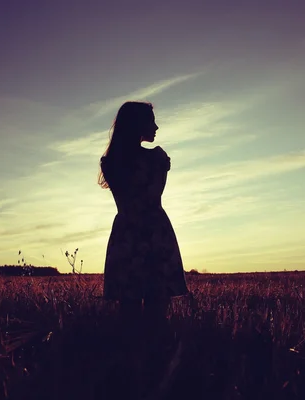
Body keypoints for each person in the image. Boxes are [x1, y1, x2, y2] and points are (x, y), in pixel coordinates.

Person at [98, 101, 189, 395]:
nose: (156, 127)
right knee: (155, 305)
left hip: (126, 234)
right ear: (137, 125)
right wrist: (161, 168)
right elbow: (152, 197)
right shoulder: (154, 160)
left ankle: (132, 370)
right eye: (151, 121)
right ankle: (149, 370)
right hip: (152, 232)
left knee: (129, 307)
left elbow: (130, 200)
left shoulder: (110, 162)